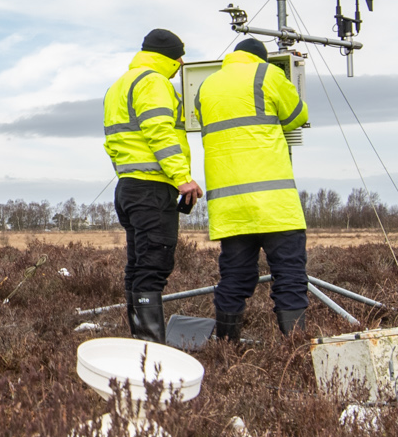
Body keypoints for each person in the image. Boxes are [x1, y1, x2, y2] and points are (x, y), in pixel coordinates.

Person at [195, 37, 309, 339]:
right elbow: (298, 115)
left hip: (231, 208)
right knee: (290, 277)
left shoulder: (207, 85)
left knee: (234, 278)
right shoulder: (268, 74)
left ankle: (226, 348)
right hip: (274, 203)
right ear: (261, 58)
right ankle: (295, 351)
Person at [103, 29, 202, 343]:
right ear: (170, 57)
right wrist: (182, 178)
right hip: (152, 187)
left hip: (129, 186)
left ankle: (141, 339)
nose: (182, 63)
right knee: (153, 264)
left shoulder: (120, 85)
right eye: (179, 56)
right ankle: (151, 346)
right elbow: (159, 132)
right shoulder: (153, 81)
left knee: (138, 264)